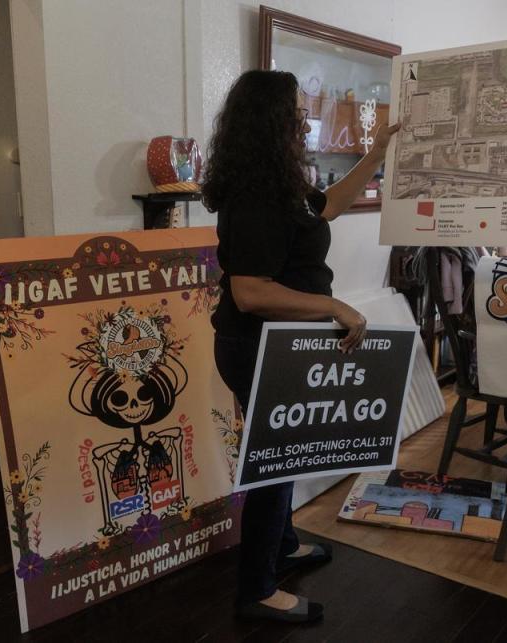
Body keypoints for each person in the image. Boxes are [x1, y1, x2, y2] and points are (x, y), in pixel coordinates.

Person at [201, 69, 398, 623]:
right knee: (276, 462)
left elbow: (329, 205)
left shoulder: (280, 184)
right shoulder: (256, 196)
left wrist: (377, 152)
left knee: (286, 450)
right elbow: (252, 291)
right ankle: (257, 590)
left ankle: (282, 548)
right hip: (255, 344)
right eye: (294, 111)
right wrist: (335, 306)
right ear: (272, 121)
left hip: (279, 343)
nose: (302, 119)